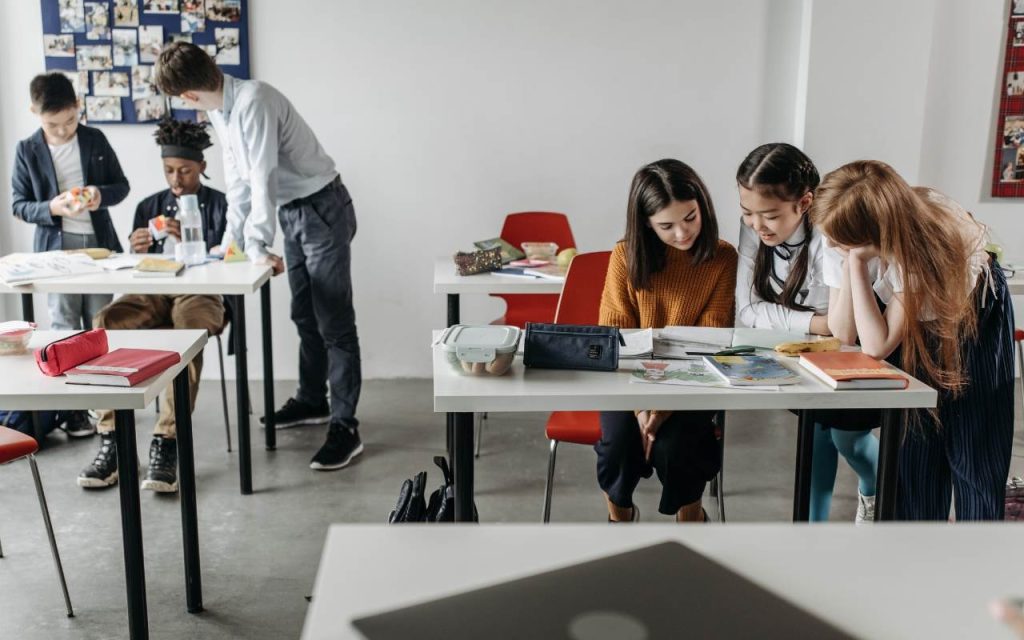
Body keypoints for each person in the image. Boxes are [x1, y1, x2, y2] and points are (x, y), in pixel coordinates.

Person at [153, 42, 363, 471]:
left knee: (334, 322)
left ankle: (346, 427)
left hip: (321, 207)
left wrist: (256, 244)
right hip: (293, 211)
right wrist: (232, 243)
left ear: (187, 95)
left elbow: (262, 174)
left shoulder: (255, 100)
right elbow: (239, 183)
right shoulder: (221, 109)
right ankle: (312, 400)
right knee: (304, 314)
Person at [812, 160, 1014, 521]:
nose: (830, 244)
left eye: (839, 241)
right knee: (915, 452)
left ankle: (982, 557)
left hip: (975, 318)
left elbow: (876, 346)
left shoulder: (921, 246)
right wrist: (850, 261)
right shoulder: (847, 232)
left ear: (873, 234)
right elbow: (844, 333)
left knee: (974, 452)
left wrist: (856, 264)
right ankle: (915, 553)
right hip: (916, 323)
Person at [78, 118, 227, 492]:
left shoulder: (222, 205)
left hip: (201, 291)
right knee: (106, 321)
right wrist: (139, 247)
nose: (176, 180)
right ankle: (111, 437)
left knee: (188, 335)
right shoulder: (149, 205)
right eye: (169, 171)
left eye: (185, 171)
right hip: (153, 288)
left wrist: (199, 241)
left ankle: (168, 441)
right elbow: (132, 267)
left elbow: (234, 257)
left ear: (202, 168)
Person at [735, 143, 880, 523]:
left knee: (848, 439)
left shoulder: (830, 233)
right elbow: (748, 311)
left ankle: (876, 492)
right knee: (816, 438)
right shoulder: (755, 228)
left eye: (768, 215)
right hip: (806, 351)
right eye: (747, 212)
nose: (756, 225)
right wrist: (817, 322)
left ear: (804, 203)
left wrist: (817, 322)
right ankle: (812, 530)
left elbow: (845, 329)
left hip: (861, 345)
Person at [597, 159, 737, 522]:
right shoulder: (624, 256)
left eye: (690, 217)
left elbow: (709, 341)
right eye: (666, 225)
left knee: (678, 448)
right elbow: (616, 340)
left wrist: (663, 408)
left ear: (701, 206)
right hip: (627, 383)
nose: (682, 233)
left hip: (694, 381)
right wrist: (644, 408)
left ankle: (691, 519)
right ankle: (619, 516)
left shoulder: (722, 258)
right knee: (619, 448)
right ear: (646, 223)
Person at [11, 71, 130, 439]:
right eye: (53, 124)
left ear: (78, 107)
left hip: (97, 248)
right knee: (63, 327)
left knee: (98, 325)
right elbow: (19, 205)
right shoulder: (27, 149)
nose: (63, 131)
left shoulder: (95, 139)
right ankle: (73, 411)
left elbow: (121, 186)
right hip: (55, 252)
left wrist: (98, 194)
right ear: (34, 111)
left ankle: (102, 406)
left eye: (69, 121)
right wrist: (52, 207)